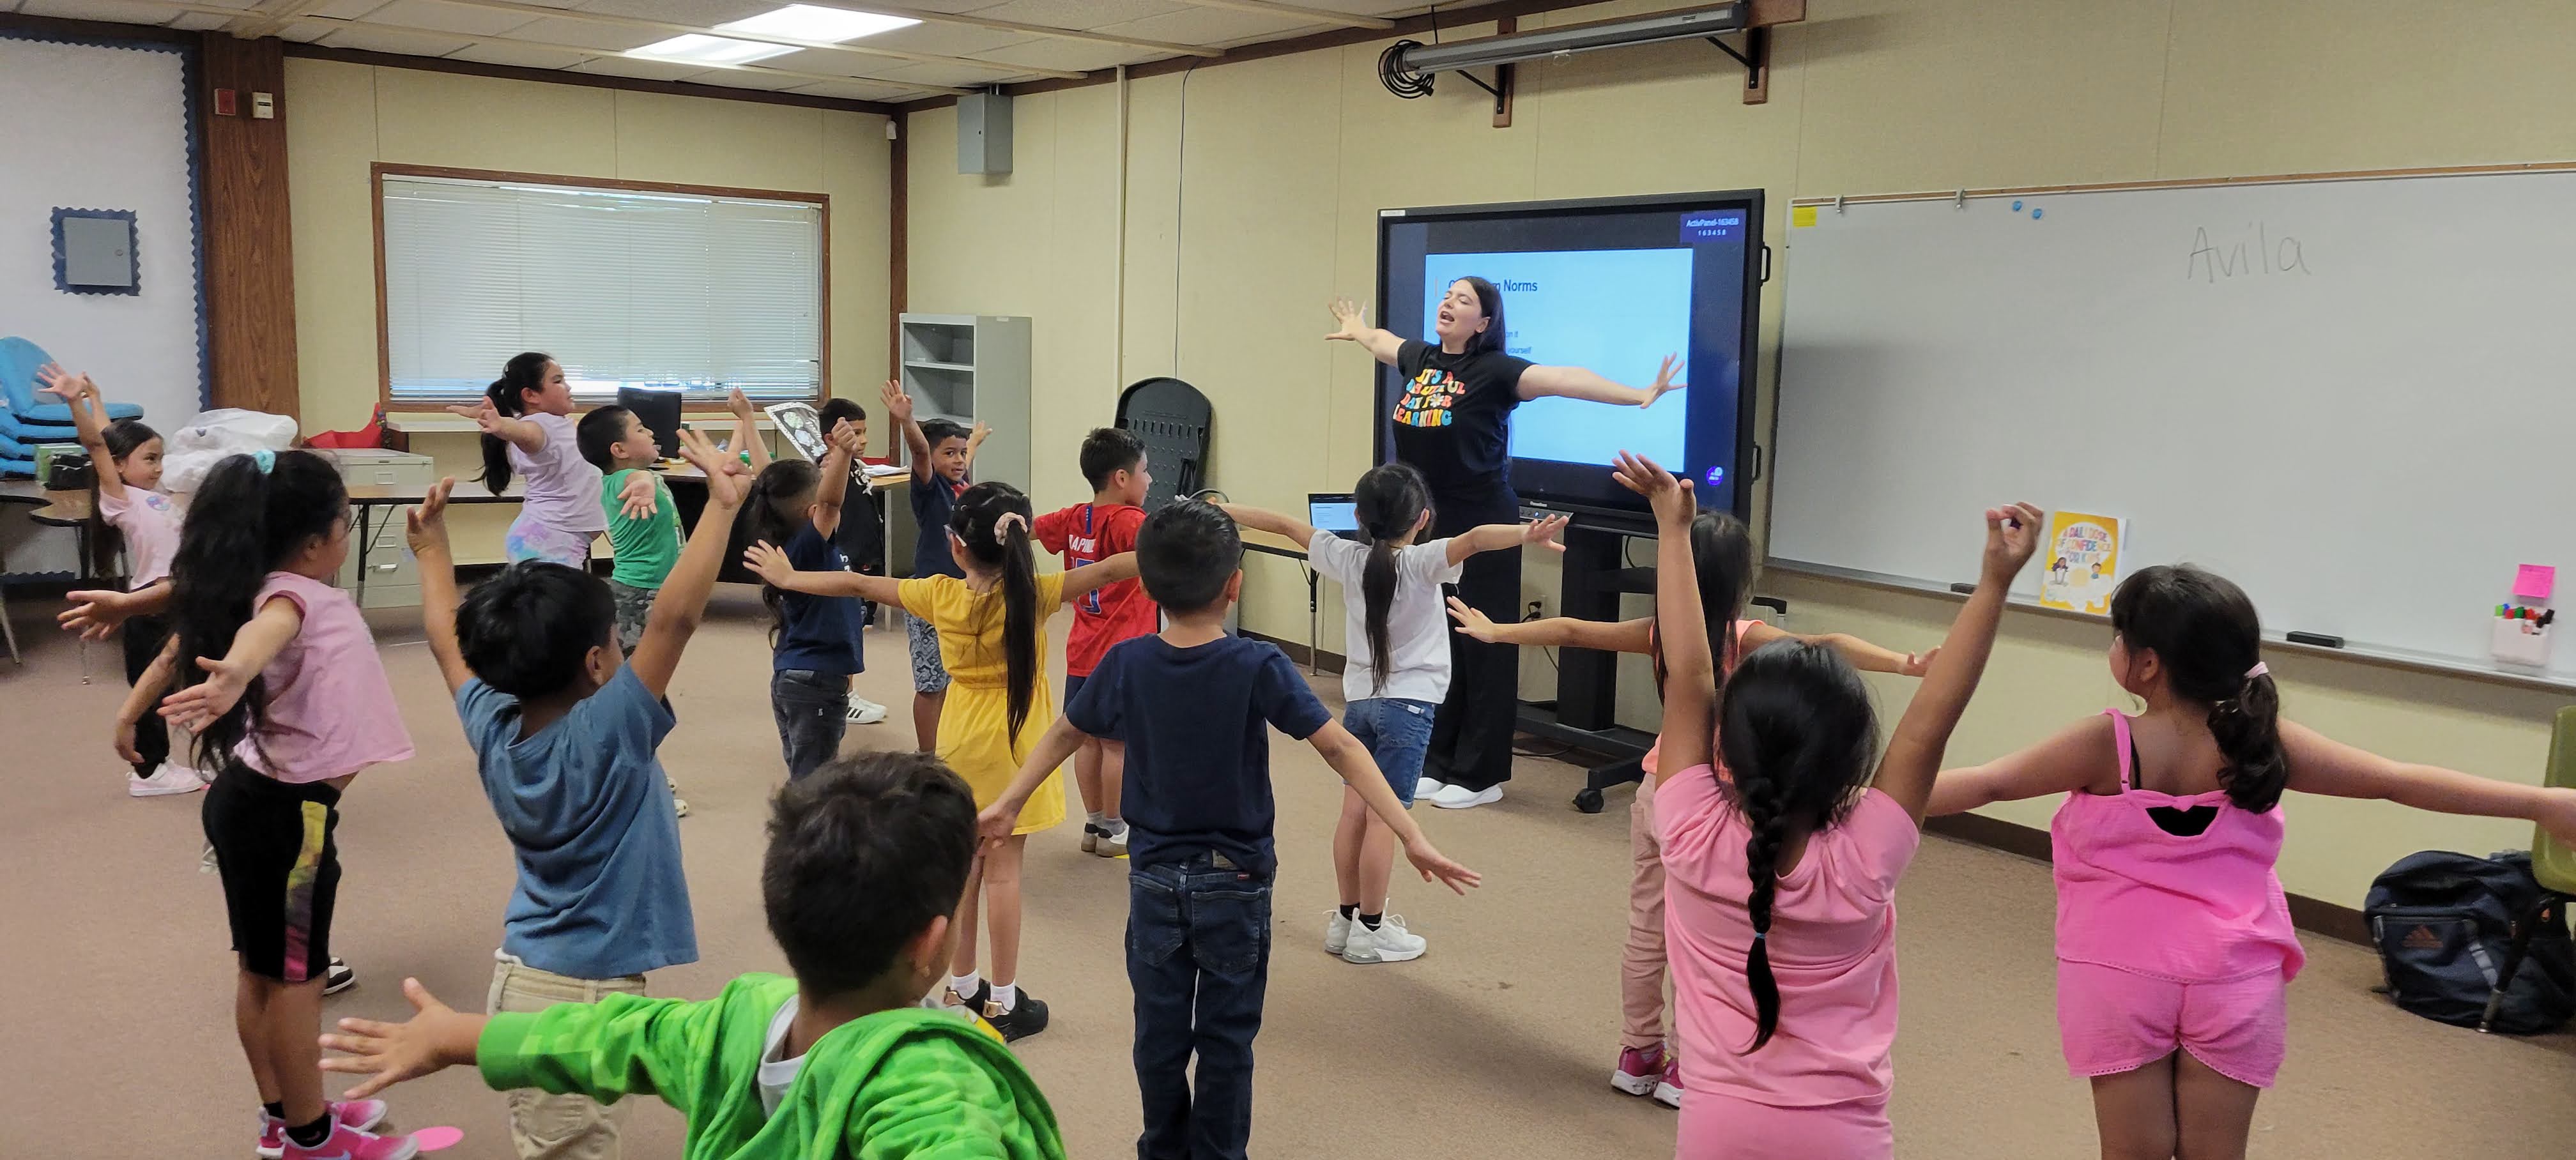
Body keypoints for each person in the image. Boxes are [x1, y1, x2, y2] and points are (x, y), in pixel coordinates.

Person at [1927, 563, 2576, 1160]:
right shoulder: (2264, 742)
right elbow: (2395, 780)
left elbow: (1985, 784)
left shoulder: (2103, 742)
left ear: (2146, 664)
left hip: (2117, 972)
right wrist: (2541, 802)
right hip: (2234, 975)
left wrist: (1872, 799)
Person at [975, 498, 1482, 1160]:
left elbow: (1068, 732)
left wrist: (1009, 802)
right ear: (1234, 586)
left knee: (1158, 1034)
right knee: (1227, 1037)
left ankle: (1163, 1148)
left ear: (1146, 587)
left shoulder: (1126, 662)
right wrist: (1410, 832)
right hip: (1235, 881)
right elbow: (1341, 748)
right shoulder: (1258, 663)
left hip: (1155, 880)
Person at [318, 752, 1068, 1159]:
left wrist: (455, 1036)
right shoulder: (935, 1079)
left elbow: (610, 1036)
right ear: (930, 941)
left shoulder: (738, 1018)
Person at [1628, 445, 2039, 1160]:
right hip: (1841, 1132)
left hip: (1716, 1124)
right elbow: (1931, 722)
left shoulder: (1687, 828)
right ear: (1853, 760)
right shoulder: (1865, 854)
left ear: (1728, 742)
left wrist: (1673, 531)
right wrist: (1994, 584)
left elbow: (1691, 672)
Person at [1446, 510, 1935, 1106]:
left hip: (1660, 793)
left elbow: (1573, 630)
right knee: (1700, 938)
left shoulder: (1660, 634)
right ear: (1740, 580)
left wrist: (1498, 632)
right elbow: (1826, 646)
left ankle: (1637, 1052)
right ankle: (1684, 1064)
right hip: (1717, 807)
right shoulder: (1745, 638)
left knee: (1646, 930)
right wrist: (1903, 663)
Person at [406, 427, 746, 1160]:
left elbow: (443, 639)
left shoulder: (493, 722)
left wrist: (433, 552)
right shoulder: (608, 734)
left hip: (532, 973)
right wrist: (721, 507)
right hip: (580, 997)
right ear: (596, 663)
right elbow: (675, 618)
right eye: (616, 643)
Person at [745, 480, 1137, 1042]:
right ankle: (1003, 1000)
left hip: (959, 737)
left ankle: (962, 986)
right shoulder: (1038, 592)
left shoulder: (939, 594)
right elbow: (1112, 569)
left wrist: (789, 579)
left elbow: (857, 583)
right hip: (1016, 743)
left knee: (964, 870)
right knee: (1005, 873)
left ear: (956, 545)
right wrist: (1182, 541)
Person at [138, 449, 418, 1160]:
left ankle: (286, 1114)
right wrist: (235, 671)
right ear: (316, 540)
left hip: (253, 803)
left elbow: (190, 618)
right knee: (297, 981)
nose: (347, 534)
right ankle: (310, 1137)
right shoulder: (292, 598)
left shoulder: (259, 584)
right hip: (289, 824)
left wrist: (131, 692)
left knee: (262, 972)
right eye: (345, 523)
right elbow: (266, 634)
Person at [1326, 283, 1685, 809]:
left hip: (1482, 517)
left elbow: (1566, 379)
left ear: (1484, 322)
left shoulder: (1495, 371)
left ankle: (1480, 774)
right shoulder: (1421, 359)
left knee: (1484, 639)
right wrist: (1358, 331)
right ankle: (1438, 759)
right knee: (1437, 637)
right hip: (1427, 519)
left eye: (1463, 300)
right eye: (1447, 295)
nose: (1448, 303)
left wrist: (1639, 394)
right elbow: (1383, 342)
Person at [1218, 462, 1563, 965]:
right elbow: (1475, 539)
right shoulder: (1424, 561)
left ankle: (1345, 921)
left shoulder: (1345, 556)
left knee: (1354, 813)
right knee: (1386, 818)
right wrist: (1526, 534)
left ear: (1358, 516)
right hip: (1408, 709)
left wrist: (1222, 509)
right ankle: (1371, 931)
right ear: (1422, 519)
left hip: (1360, 705)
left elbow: (1284, 524)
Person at [38, 363, 203, 796]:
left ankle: (202, 752)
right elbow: (98, 445)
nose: (159, 467)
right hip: (150, 603)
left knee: (186, 674)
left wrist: (96, 399)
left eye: (161, 458)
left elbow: (107, 440)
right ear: (118, 467)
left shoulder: (152, 496)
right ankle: (150, 773)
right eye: (150, 459)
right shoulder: (121, 499)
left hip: (178, 597)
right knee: (149, 690)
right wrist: (74, 402)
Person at [1032, 426, 1158, 859]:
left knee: (1086, 738)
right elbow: (1164, 553)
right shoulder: (1131, 521)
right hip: (1124, 651)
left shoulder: (1074, 516)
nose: (1150, 480)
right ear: (1122, 478)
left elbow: (1030, 529)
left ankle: (1095, 822)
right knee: (1118, 745)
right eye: (1145, 471)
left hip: (1082, 648)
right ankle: (1117, 828)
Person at [743, 416, 869, 781]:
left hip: (799, 675)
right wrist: (842, 453)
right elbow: (830, 503)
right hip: (814, 680)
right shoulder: (808, 548)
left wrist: (748, 418)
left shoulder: (788, 543)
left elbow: (767, 479)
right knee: (814, 783)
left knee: (806, 774)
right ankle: (806, 821)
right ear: (812, 513)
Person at [450, 351, 652, 568]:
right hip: (546, 542)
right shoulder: (538, 426)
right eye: (558, 381)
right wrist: (502, 426)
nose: (568, 387)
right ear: (531, 395)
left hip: (552, 539)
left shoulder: (556, 423)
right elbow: (523, 433)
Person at [883, 378, 989, 751]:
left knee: (954, 676)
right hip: (930, 595)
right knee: (931, 684)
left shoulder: (959, 482)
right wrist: (907, 421)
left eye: (961, 453)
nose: (959, 460)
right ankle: (927, 755)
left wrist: (972, 444)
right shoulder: (930, 487)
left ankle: (948, 745)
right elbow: (920, 453)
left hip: (962, 593)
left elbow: (962, 460)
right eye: (950, 454)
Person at [816, 395, 890, 728]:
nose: (864, 440)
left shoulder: (855, 466)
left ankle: (848, 691)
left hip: (864, 556)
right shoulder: (829, 470)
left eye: (864, 432)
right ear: (831, 439)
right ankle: (843, 696)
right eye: (856, 433)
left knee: (856, 629)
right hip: (846, 560)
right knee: (846, 632)